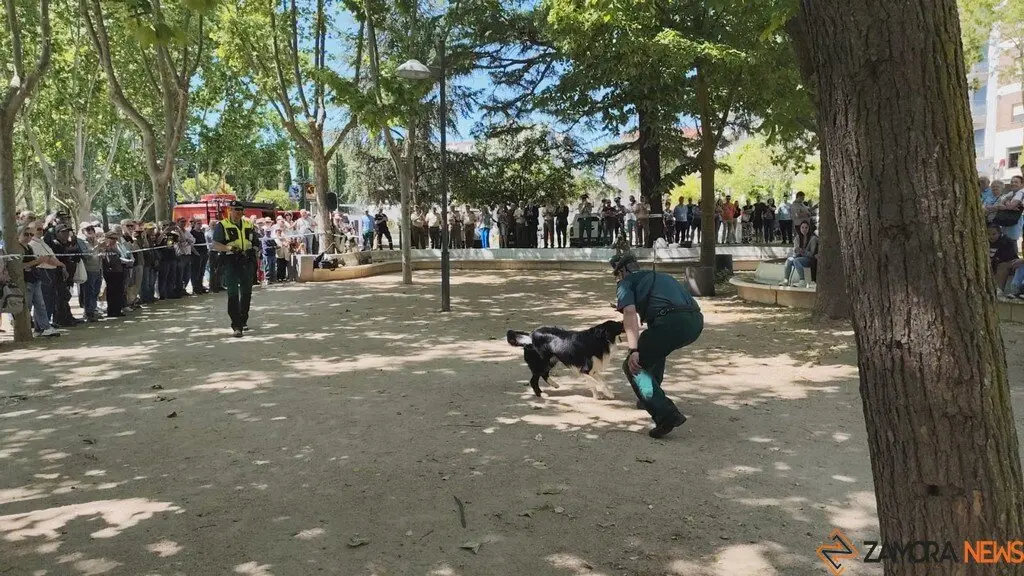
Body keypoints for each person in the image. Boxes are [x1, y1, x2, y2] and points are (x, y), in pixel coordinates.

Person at [611, 252, 703, 438]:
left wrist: (633, 349)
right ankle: (650, 398)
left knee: (633, 365)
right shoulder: (661, 276)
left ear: (622, 271)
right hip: (695, 322)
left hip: (670, 323)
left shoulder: (625, 283)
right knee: (655, 347)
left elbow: (629, 313)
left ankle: (665, 415)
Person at [211, 201, 260, 338]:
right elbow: (215, 244)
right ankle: (236, 325)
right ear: (230, 210)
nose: (238, 212)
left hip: (247, 261)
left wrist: (254, 250)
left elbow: (256, 241)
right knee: (232, 293)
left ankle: (243, 320)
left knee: (246, 292)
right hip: (231, 261)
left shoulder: (248, 224)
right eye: (235, 210)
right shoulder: (222, 225)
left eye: (240, 210)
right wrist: (229, 248)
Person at [19, 225, 60, 337]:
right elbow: (19, 266)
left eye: (31, 235)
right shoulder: (18, 249)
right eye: (26, 234)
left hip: (35, 279)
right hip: (26, 281)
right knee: (27, 306)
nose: (29, 237)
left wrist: (39, 261)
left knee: (40, 305)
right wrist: (37, 261)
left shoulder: (29, 248)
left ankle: (44, 327)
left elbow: (31, 264)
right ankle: (25, 329)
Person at [780, 221, 818, 287]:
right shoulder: (797, 238)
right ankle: (786, 280)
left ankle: (802, 280)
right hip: (799, 257)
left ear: (809, 229)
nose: (804, 229)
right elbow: (795, 252)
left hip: (809, 259)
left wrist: (802, 251)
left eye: (806, 228)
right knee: (789, 260)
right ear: (800, 229)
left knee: (796, 260)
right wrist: (796, 250)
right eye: (802, 227)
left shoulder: (813, 239)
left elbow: (811, 254)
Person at [101, 231, 130, 318]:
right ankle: (111, 311)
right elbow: (104, 259)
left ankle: (117, 310)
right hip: (110, 272)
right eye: (112, 238)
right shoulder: (104, 247)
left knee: (119, 291)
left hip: (119, 270)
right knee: (111, 292)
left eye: (115, 238)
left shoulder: (116, 247)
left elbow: (120, 255)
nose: (114, 240)